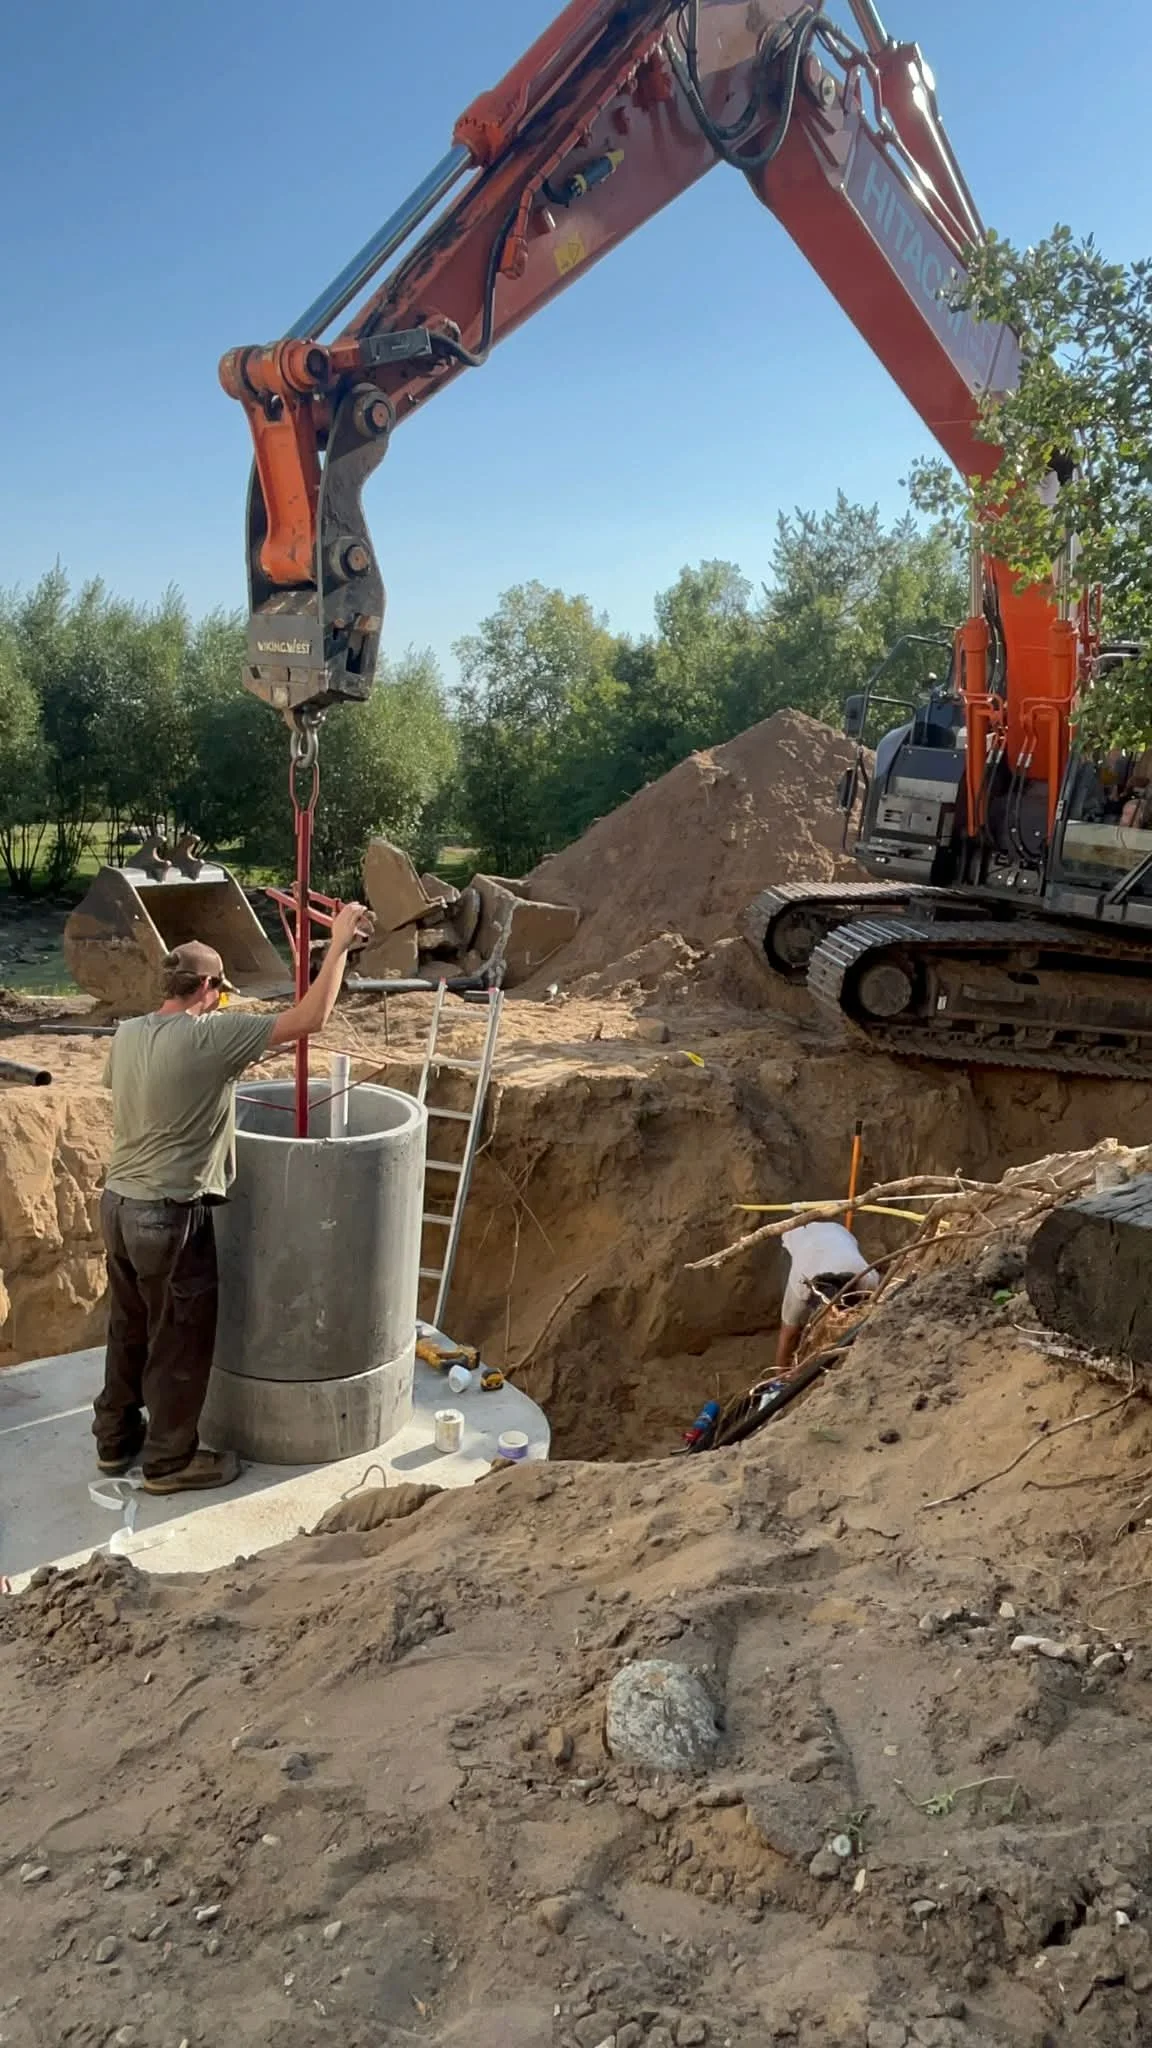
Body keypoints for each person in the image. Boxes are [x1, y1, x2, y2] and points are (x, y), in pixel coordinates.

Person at [93, 901, 372, 1495]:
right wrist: (339, 946)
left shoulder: (128, 1034)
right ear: (208, 988)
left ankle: (114, 1440)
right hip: (168, 1213)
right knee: (180, 1339)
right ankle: (170, 1463)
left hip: (117, 1205)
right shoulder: (212, 1035)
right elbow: (311, 1019)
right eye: (220, 990)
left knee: (129, 1325)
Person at [775, 1217, 879, 1376]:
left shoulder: (867, 1279)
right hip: (797, 1237)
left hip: (838, 1233)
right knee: (792, 1321)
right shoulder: (800, 1284)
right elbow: (788, 1334)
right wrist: (780, 1377)